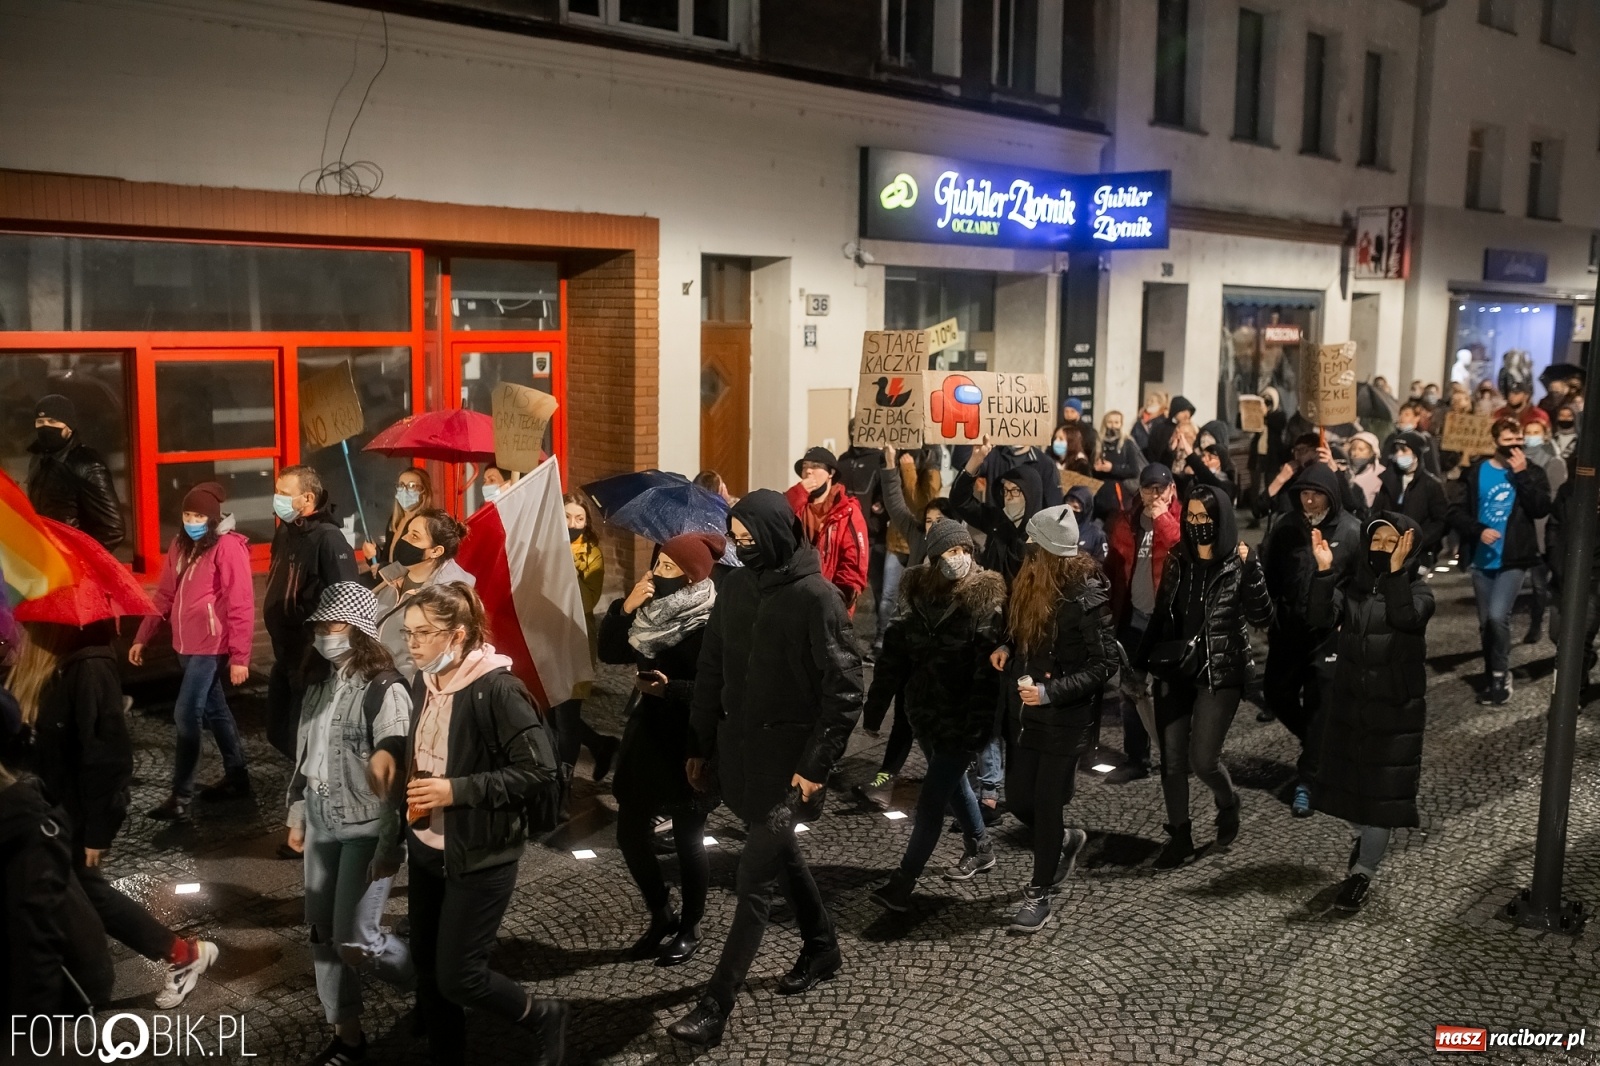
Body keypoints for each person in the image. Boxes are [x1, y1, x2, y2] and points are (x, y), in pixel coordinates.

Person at [669, 490, 863, 1048]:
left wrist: (816, 768)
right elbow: (711, 670)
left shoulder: (817, 598)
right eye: (737, 540)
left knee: (754, 880)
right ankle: (823, 946)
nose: (741, 549)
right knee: (781, 856)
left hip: (790, 772)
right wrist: (699, 744)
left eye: (751, 540)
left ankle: (716, 1005)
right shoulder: (733, 588)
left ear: (777, 535)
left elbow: (845, 691)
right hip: (742, 757)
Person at [395, 582, 567, 1066]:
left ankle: (542, 1014)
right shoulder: (424, 682)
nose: (414, 645)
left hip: (481, 850)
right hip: (429, 843)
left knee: (459, 976)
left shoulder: (497, 689)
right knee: (427, 969)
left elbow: (539, 770)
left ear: (460, 635)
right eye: (409, 633)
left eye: (426, 634)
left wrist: (456, 790)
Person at [5, 621, 219, 1008]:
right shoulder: (57, 665)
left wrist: (98, 833)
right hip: (55, 805)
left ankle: (176, 957)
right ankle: (182, 954)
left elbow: (107, 755)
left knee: (86, 892)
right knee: (87, 891)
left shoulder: (89, 668)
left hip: (77, 813)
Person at [286, 583, 415, 1066]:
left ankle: (429, 982)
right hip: (321, 819)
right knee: (321, 932)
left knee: (355, 939)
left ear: (360, 630)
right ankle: (348, 1036)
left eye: (333, 624)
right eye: (318, 625)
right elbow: (306, 757)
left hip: (365, 826)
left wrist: (389, 844)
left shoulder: (385, 688)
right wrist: (298, 813)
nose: (323, 634)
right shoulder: (320, 682)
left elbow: (397, 768)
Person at [866, 520, 1007, 914]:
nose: (958, 559)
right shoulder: (917, 591)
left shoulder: (986, 596)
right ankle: (980, 848)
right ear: (933, 559)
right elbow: (893, 654)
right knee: (954, 784)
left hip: (963, 718)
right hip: (924, 713)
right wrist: (876, 707)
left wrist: (979, 728)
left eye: (963, 550)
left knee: (930, 801)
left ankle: (903, 881)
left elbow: (986, 668)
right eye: (949, 552)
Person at [598, 532, 725, 967]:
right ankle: (661, 912)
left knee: (689, 838)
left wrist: (672, 691)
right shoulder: (650, 611)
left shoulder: (711, 621)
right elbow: (611, 651)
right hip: (648, 734)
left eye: (668, 568)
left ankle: (690, 926)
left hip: (690, 738)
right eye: (657, 564)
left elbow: (719, 690)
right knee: (629, 832)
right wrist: (625, 607)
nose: (656, 574)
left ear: (691, 579)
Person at [990, 505, 1118, 932]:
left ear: (1047, 552)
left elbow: (1102, 667)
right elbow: (1017, 629)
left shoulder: (1086, 597)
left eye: (1032, 545)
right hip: (1024, 713)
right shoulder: (1027, 582)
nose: (1025, 552)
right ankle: (1064, 839)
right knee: (1019, 798)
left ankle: (1039, 892)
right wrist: (1007, 647)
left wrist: (1049, 693)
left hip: (1064, 719)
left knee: (1045, 803)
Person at [1135, 487, 1272, 868]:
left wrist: (1252, 571)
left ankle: (1228, 801)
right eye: (1191, 517)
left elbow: (1263, 618)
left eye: (1205, 518)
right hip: (1176, 668)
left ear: (1222, 519)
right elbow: (1161, 614)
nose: (1197, 524)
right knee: (1172, 758)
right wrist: (1139, 664)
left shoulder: (1239, 561)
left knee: (1203, 760)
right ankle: (1180, 835)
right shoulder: (1179, 558)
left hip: (1220, 671)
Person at [1307, 516, 1433, 911]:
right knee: (1348, 787)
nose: (1381, 545)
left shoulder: (1419, 591)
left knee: (1380, 797)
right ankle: (1362, 835)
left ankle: (1363, 873)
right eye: (1375, 538)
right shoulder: (1354, 589)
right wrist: (1325, 572)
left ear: (1408, 546)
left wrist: (1396, 574)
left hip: (1394, 712)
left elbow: (1406, 618)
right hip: (1350, 706)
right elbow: (1318, 619)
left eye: (1391, 540)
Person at [132, 481, 255, 819]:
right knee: (216, 710)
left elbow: (240, 603)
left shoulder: (228, 547)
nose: (192, 520)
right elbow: (164, 594)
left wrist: (240, 656)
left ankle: (180, 795)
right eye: (187, 513)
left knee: (186, 714)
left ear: (213, 518)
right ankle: (237, 775)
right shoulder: (180, 544)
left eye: (199, 514)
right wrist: (143, 636)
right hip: (184, 645)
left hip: (210, 646)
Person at [1259, 462, 1360, 815]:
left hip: (1327, 637)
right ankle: (1321, 745)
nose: (1310, 500)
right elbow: (1269, 576)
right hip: (1287, 631)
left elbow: (1361, 588)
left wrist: (1346, 619)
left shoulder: (1351, 532)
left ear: (1331, 496)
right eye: (1304, 493)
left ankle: (1308, 779)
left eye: (1316, 493)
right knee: (1275, 693)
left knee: (1321, 708)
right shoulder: (1286, 527)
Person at [0, 761, 116, 1020]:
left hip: (62, 991)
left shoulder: (23, 827)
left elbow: (37, 936)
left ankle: (177, 951)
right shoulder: (25, 810)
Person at [857, 480, 947, 811]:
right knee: (903, 728)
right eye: (929, 522)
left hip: (939, 675)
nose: (932, 528)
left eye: (940, 523)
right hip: (911, 662)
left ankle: (966, 797)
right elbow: (896, 505)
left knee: (936, 741)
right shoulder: (918, 549)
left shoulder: (957, 571)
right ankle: (883, 784)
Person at [1450, 418, 1552, 705]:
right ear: (1495, 442)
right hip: (1482, 561)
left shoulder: (1533, 472)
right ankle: (1492, 673)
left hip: (1515, 557)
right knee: (1486, 625)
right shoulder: (1476, 472)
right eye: (1508, 442)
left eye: (1518, 440)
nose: (1515, 447)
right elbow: (1455, 511)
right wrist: (1478, 530)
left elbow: (1540, 508)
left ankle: (1500, 676)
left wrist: (1521, 475)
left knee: (1498, 617)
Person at [266, 465, 360, 760]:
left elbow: (347, 595)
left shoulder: (329, 539)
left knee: (301, 739)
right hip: (284, 652)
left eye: (284, 493)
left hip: (310, 655)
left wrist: (327, 650)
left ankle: (310, 794)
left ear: (307, 498)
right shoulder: (286, 531)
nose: (276, 498)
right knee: (276, 730)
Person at [1102, 463, 1182, 783]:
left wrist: (1162, 517)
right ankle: (1137, 758)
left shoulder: (1181, 518)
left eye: (1161, 488)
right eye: (1149, 488)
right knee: (1130, 690)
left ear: (1172, 489)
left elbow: (1180, 546)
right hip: (1133, 618)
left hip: (1166, 625)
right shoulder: (1127, 523)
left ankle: (1175, 757)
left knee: (1167, 694)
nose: (1155, 494)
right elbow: (1113, 567)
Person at [555, 493, 619, 782]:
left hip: (574, 643)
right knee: (547, 713)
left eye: (579, 518)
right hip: (545, 640)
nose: (573, 523)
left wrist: (566, 572)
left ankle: (562, 790)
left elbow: (587, 601)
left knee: (566, 718)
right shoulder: (546, 547)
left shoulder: (591, 553)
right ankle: (600, 744)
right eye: (567, 517)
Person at [374, 509, 475, 680]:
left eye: (415, 537)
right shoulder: (389, 581)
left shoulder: (447, 599)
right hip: (378, 687)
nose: (404, 540)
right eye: (406, 532)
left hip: (409, 692)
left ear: (436, 551)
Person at [25, 393, 123, 550]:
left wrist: (78, 559)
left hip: (70, 563)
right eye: (40, 421)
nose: (46, 427)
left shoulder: (87, 464)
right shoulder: (38, 459)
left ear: (69, 427)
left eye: (53, 421)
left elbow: (112, 529)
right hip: (44, 556)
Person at [784, 447, 871, 609]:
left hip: (831, 599)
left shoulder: (847, 512)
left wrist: (840, 597)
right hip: (795, 597)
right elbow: (775, 520)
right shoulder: (797, 505)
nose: (808, 471)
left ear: (830, 473)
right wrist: (797, 494)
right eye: (804, 467)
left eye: (815, 466)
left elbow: (855, 562)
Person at [950, 444, 1045, 584]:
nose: (1009, 496)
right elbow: (960, 501)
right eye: (1005, 490)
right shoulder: (997, 521)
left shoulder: (1046, 537)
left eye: (1016, 490)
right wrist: (975, 461)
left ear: (1031, 495)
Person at [1372, 433, 1450, 562]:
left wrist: (1418, 540)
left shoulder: (1431, 484)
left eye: (1404, 450)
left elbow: (1441, 521)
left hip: (1418, 554)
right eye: (1396, 450)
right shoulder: (1387, 480)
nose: (1399, 455)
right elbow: (1377, 513)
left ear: (1416, 454)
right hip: (1388, 549)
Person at [363, 467, 433, 576]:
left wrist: (383, 568)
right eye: (401, 485)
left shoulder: (425, 524)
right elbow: (387, 559)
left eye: (411, 486)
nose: (404, 490)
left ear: (423, 491)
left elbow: (416, 565)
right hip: (389, 584)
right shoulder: (394, 521)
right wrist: (374, 553)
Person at [1095, 410, 1147, 488]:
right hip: (1102, 488)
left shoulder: (1127, 443)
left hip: (1122, 489)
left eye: (1116, 422)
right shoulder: (1099, 442)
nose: (1113, 426)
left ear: (1121, 424)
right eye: (1110, 422)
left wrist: (1112, 468)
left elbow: (1134, 471)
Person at [1065, 484, 1107, 562]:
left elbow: (1101, 563)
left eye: (1076, 507)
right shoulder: (1054, 525)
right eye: (1069, 501)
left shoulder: (1096, 535)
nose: (1071, 509)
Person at [1346, 432, 1385, 509]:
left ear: (1372, 452)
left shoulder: (1381, 473)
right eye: (1353, 449)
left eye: (1361, 449)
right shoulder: (1345, 470)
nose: (1356, 453)